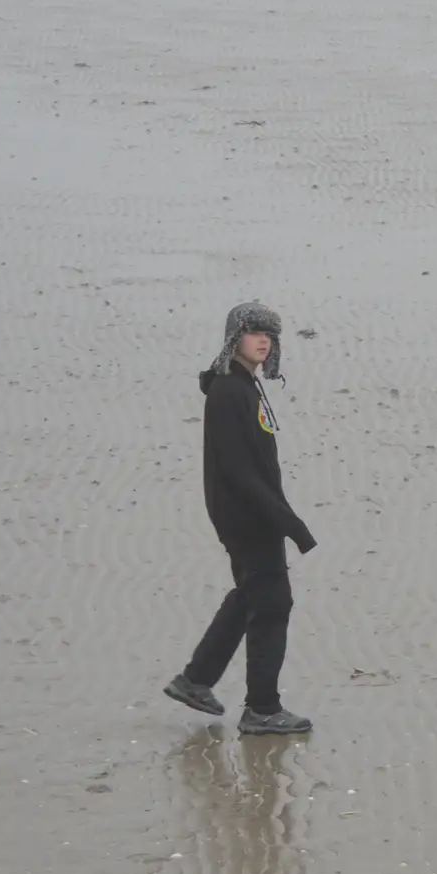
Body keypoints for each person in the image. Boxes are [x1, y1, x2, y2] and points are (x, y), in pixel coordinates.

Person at [163, 302, 317, 734]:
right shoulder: (230, 391)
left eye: (270, 333)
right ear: (235, 338)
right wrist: (292, 524)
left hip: (252, 516)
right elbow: (238, 470)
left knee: (251, 596)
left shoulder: (246, 386)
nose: (264, 340)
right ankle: (262, 709)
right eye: (254, 332)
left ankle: (194, 681)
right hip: (247, 520)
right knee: (272, 605)